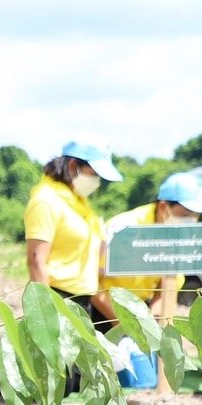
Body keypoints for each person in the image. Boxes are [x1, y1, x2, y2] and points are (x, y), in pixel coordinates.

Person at [23, 138, 123, 325]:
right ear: (72, 166)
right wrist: (46, 317)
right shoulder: (46, 201)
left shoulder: (78, 203)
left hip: (82, 300)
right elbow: (36, 261)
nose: (96, 181)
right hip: (57, 298)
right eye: (93, 173)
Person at [103, 171, 202, 309]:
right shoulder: (122, 229)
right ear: (163, 207)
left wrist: (152, 320)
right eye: (186, 214)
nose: (191, 221)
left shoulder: (177, 236)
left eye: (196, 216)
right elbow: (91, 282)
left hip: (140, 310)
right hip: (106, 311)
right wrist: (118, 323)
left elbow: (168, 286)